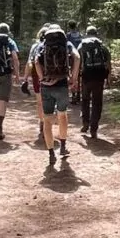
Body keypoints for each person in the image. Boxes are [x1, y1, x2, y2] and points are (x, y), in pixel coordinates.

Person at [33, 21, 77, 167]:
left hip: (46, 87)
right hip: (62, 84)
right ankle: (63, 146)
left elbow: (35, 61)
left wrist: (42, 78)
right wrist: (73, 78)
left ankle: (51, 153)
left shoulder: (42, 45)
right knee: (62, 115)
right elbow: (77, 57)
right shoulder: (67, 45)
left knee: (47, 120)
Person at [76, 24, 112, 138]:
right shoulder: (101, 45)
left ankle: (85, 123)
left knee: (85, 100)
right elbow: (108, 63)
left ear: (86, 34)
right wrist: (108, 78)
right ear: (96, 33)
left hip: (86, 77)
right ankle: (94, 128)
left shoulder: (81, 46)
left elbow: (77, 62)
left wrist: (75, 78)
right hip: (99, 78)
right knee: (97, 102)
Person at [66, 22, 83, 104]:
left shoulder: (68, 35)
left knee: (72, 75)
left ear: (69, 27)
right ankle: (79, 94)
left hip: (71, 58)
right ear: (76, 26)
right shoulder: (80, 35)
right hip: (81, 57)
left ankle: (73, 96)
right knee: (79, 76)